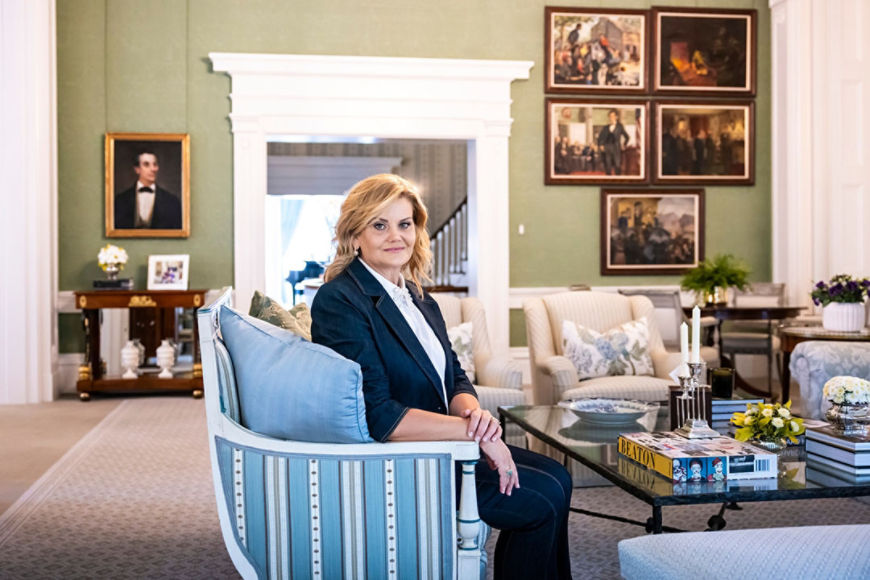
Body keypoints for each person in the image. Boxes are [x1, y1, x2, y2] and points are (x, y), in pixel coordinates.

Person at [311, 174, 573, 580]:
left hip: (446, 443)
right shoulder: (340, 300)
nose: (396, 236)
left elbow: (454, 375)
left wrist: (474, 416)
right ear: (354, 235)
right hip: (404, 461)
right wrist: (480, 435)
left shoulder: (417, 296)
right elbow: (378, 415)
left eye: (405, 223)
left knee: (559, 479)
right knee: (539, 503)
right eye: (379, 225)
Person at [114, 150, 182, 229]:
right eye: (146, 165)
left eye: (155, 164)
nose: (153, 169)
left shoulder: (172, 201)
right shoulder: (120, 200)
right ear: (137, 169)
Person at [597, 109, 630, 175]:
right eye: (610, 116)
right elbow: (600, 138)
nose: (611, 118)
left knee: (617, 166)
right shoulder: (606, 128)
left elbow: (627, 137)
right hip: (607, 149)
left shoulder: (620, 126)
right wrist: (601, 145)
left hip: (616, 149)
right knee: (608, 167)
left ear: (616, 117)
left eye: (612, 116)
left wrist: (624, 145)